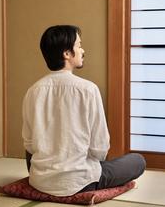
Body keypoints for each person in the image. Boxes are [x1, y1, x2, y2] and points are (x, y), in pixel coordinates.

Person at [22, 25, 146, 196]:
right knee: (138, 161)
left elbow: (29, 144)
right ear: (67, 53)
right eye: (79, 45)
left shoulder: (33, 90)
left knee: (35, 150)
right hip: (80, 181)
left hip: (39, 180)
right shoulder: (88, 89)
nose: (82, 50)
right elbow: (100, 148)